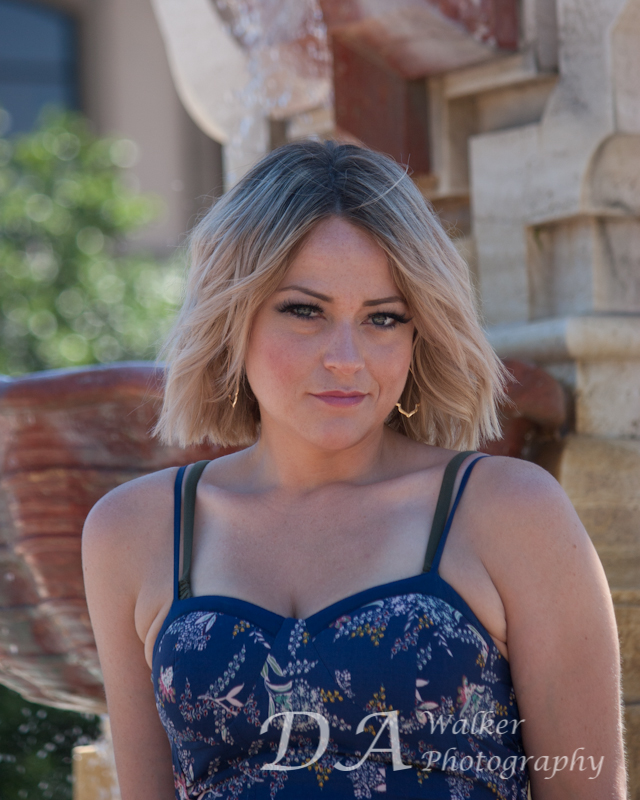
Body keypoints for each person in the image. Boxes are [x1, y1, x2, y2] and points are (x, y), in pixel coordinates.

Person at [82, 140, 627, 800]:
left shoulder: (510, 512)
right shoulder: (133, 531)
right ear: (232, 318)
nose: (346, 357)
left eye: (383, 318)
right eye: (305, 311)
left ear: (419, 331)